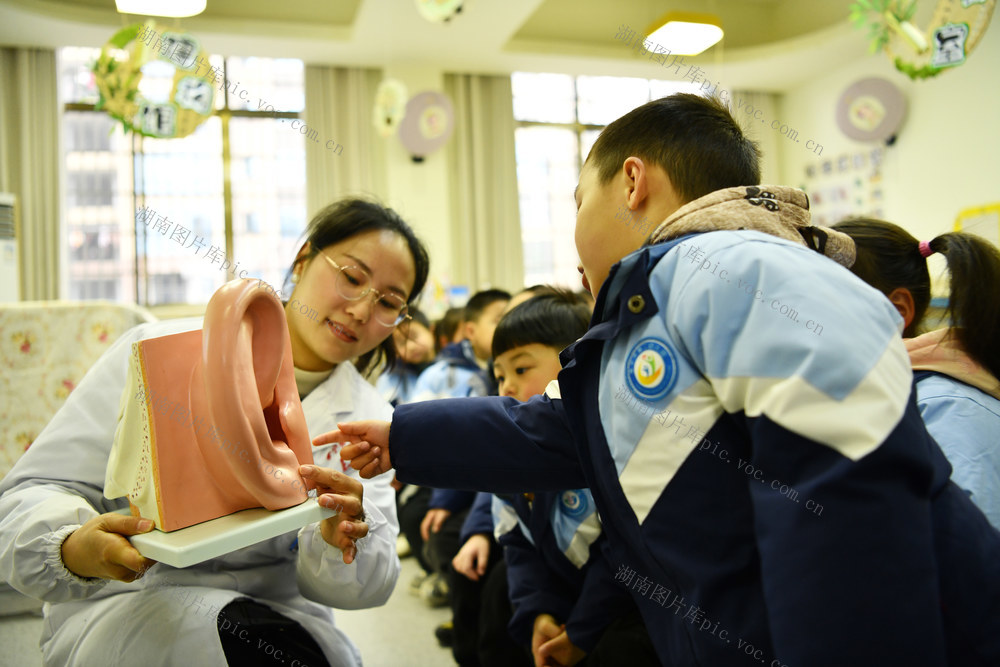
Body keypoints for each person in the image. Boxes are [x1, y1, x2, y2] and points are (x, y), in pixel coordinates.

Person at [320, 94, 1000, 667]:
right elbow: (551, 430)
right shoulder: (642, 318)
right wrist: (403, 434)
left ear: (634, 182)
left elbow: (845, 490)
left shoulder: (738, 265)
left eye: (578, 198)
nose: (574, 224)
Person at [0, 198, 430, 666]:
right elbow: (33, 491)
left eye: (389, 302)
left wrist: (340, 536)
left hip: (278, 621)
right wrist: (71, 546)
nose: (363, 310)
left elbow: (369, 584)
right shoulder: (153, 355)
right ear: (304, 259)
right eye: (351, 277)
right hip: (129, 606)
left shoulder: (372, 422)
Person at [832, 218, 1000, 530]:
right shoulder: (877, 393)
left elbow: (973, 557)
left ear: (896, 311)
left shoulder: (946, 407)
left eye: (827, 304)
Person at [411, 288, 510, 401]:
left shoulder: (517, 370)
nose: (508, 326)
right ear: (471, 331)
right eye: (499, 321)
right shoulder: (439, 375)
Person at [375, 307, 436, 407]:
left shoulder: (449, 369)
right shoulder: (391, 377)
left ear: (431, 330)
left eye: (414, 336)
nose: (410, 347)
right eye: (401, 343)